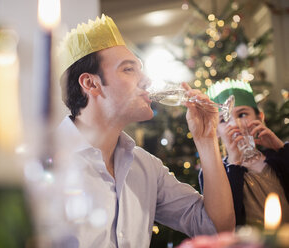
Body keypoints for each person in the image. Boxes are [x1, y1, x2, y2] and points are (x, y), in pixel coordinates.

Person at [54, 14, 234, 247]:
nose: (147, 80)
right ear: (90, 84)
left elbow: (216, 228)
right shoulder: (44, 165)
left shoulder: (146, 167)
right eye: (129, 69)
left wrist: (206, 140)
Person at [199, 80, 289, 226]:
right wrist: (234, 163)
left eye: (242, 115)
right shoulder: (213, 172)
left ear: (260, 117)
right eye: (224, 119)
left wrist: (281, 148)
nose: (234, 124)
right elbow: (224, 221)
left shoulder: (277, 157)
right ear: (215, 131)